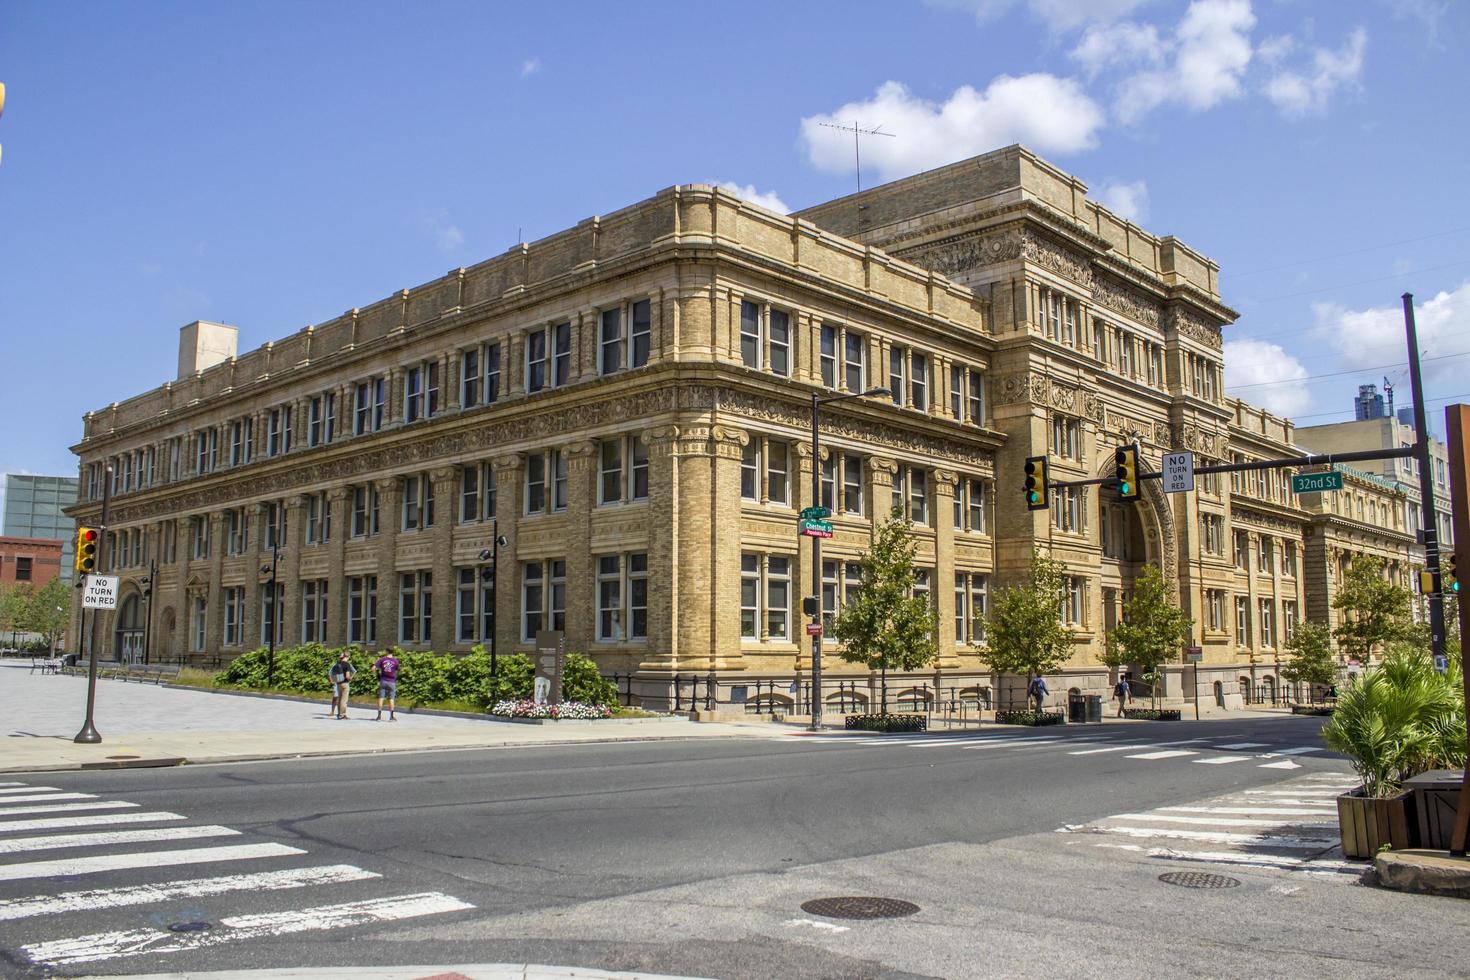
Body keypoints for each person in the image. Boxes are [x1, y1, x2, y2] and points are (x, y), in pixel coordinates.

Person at [373, 650, 400, 721]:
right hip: (392, 682)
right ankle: (391, 716)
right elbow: (397, 671)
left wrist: (377, 674)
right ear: (392, 652)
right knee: (391, 699)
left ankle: (379, 716)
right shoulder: (395, 661)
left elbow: (373, 668)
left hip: (383, 681)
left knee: (381, 697)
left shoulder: (382, 659)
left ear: (386, 652)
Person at [328, 651, 355, 720]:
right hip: (345, 683)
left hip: (338, 683)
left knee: (339, 699)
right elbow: (347, 676)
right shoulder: (347, 664)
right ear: (348, 657)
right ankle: (342, 715)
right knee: (344, 700)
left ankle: (339, 714)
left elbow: (330, 673)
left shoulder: (337, 664)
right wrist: (350, 678)